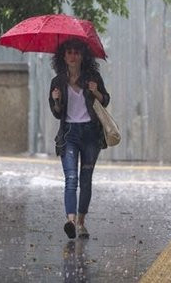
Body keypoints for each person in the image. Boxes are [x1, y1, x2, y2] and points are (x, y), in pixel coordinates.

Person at [49, 38, 110, 239]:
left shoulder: (92, 77)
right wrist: (57, 100)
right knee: (71, 178)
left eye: (77, 52)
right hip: (69, 135)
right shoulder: (57, 82)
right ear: (63, 57)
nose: (73, 56)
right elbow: (57, 113)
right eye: (69, 52)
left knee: (85, 180)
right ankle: (71, 221)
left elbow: (106, 100)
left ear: (83, 56)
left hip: (91, 134)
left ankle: (82, 222)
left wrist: (96, 91)